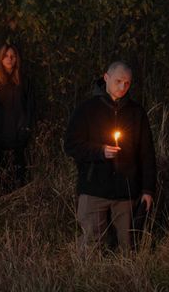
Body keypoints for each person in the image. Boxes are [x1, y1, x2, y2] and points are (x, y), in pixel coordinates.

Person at [63, 61, 157, 251]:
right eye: (118, 81)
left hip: (126, 191)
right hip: (94, 188)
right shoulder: (87, 109)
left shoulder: (136, 113)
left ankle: (126, 279)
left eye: (127, 83)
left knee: (129, 245)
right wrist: (99, 151)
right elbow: (71, 145)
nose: (123, 87)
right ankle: (87, 279)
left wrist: (148, 189)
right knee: (91, 244)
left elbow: (147, 154)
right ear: (106, 78)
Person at [0, 42, 37, 189]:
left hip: (18, 137)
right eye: (6, 56)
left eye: (12, 56)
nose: (9, 59)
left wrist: (26, 129)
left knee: (18, 176)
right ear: (1, 58)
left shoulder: (24, 81)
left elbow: (30, 107)